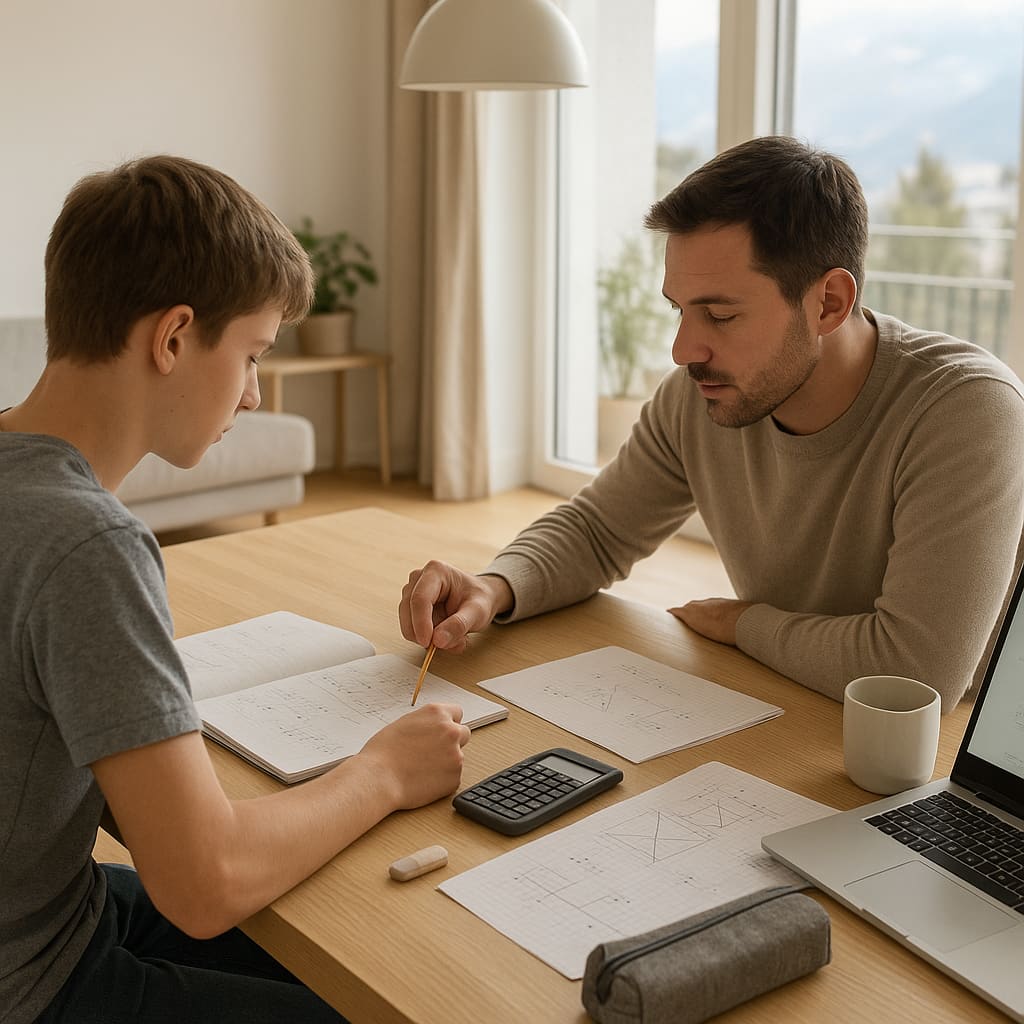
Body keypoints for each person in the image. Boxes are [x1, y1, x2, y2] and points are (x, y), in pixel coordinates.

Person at [0, 156, 471, 1024]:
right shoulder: (86, 543)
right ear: (174, 337)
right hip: (36, 983)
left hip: (57, 909)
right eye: (251, 354)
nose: (254, 395)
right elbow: (204, 884)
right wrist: (382, 772)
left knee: (344, 944)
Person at [399, 135, 1024, 716]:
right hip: (790, 701)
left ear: (829, 302)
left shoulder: (967, 410)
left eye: (719, 315)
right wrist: (494, 586)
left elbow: (915, 674)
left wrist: (743, 623)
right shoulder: (703, 395)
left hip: (951, 760)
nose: (683, 350)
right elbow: (598, 532)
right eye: (679, 310)